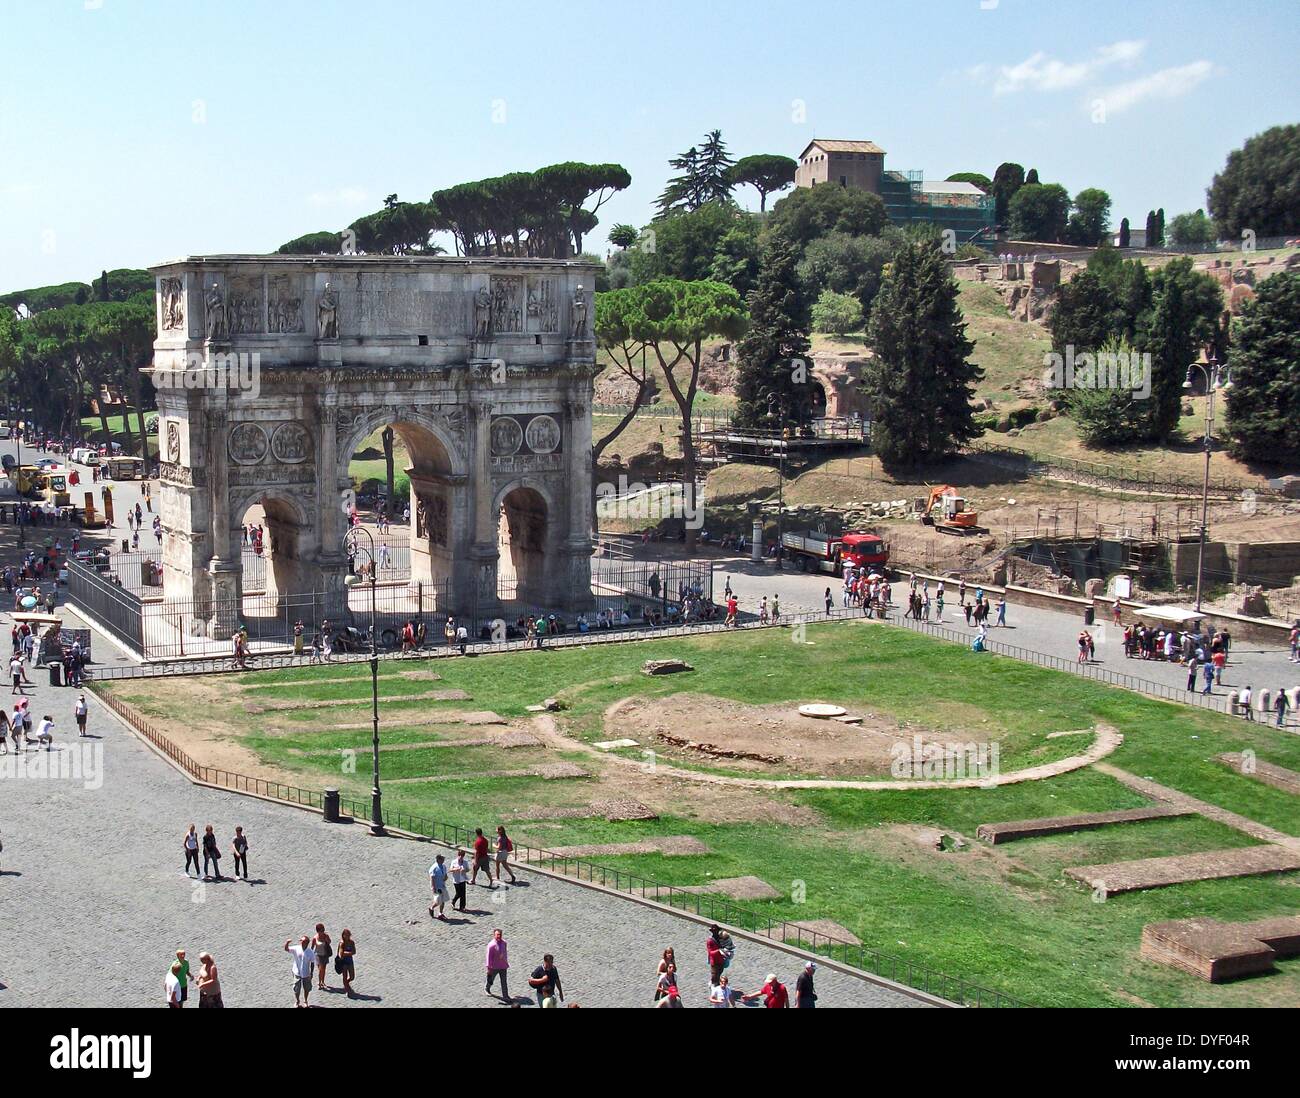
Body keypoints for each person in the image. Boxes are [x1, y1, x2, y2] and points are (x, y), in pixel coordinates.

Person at [286, 935, 315, 1006]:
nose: (301, 942)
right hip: (297, 972)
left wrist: (311, 973)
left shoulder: (310, 952)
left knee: (307, 988)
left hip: (306, 973)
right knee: (296, 988)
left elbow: (312, 963)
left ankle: (305, 1001)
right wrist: (287, 943)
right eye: (301, 941)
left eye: (302, 941)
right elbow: (287, 949)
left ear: (306, 943)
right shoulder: (296, 948)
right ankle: (297, 1001)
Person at [485, 928, 510, 1000]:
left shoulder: (504, 943)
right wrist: (488, 968)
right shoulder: (491, 945)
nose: (499, 936)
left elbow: (505, 953)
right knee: (491, 979)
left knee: (504, 982)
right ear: (494, 935)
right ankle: (487, 989)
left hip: (503, 966)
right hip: (494, 967)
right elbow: (488, 957)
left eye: (500, 935)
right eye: (497, 935)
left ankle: (505, 996)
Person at [429, 854, 450, 920]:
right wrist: (433, 887)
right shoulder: (434, 867)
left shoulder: (443, 866)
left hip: (442, 885)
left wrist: (446, 877)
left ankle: (440, 913)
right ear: (438, 859)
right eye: (442, 859)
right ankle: (431, 908)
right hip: (437, 886)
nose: (443, 860)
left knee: (443, 900)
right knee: (438, 901)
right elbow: (432, 877)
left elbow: (445, 874)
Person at [312, 923, 332, 991]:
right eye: (321, 930)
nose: (323, 931)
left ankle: (322, 982)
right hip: (318, 955)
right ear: (318, 931)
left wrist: (326, 940)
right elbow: (312, 947)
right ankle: (320, 983)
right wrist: (310, 956)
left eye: (323, 930)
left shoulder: (326, 935)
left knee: (323, 969)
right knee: (320, 969)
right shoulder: (315, 938)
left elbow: (329, 942)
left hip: (325, 954)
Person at [337, 929, 357, 996]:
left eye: (349, 935)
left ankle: (346, 983)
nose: (348, 936)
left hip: (350, 961)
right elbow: (341, 954)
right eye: (346, 935)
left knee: (352, 977)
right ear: (343, 935)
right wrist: (349, 953)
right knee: (344, 976)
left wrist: (346, 953)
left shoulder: (351, 942)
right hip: (343, 962)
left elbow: (354, 952)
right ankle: (347, 989)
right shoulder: (342, 943)